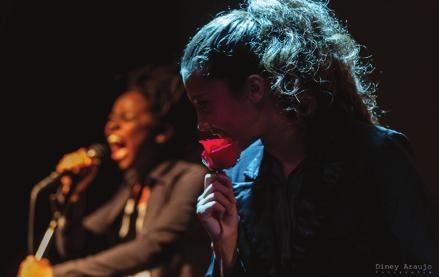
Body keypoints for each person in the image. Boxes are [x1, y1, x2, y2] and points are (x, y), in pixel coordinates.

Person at [179, 0, 439, 276]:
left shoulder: (375, 155)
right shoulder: (239, 172)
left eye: (204, 104)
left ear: (255, 89)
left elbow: (422, 266)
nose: (200, 124)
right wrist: (224, 249)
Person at [18, 64, 211, 277]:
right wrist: (75, 199)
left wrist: (55, 274)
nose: (111, 127)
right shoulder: (132, 187)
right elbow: (74, 247)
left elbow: (154, 247)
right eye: (111, 119)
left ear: (162, 132)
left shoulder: (192, 180)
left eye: (125, 118)